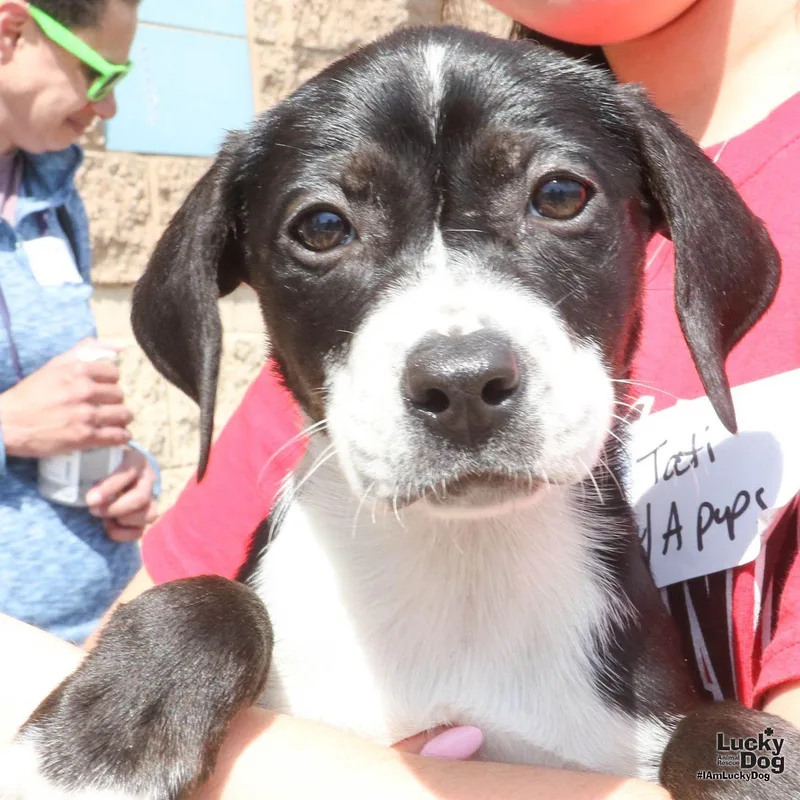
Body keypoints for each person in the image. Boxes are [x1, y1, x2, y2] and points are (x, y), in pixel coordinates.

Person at [3, 0, 800, 797]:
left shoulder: (660, 694)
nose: (460, 363)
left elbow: (768, 762)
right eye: (324, 228)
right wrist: (183, 634)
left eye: (558, 197)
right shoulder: (233, 596)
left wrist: (767, 762)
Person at [0, 0, 159, 646]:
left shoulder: (55, 197)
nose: (108, 107)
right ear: (10, 32)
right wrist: (8, 426)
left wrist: (129, 468)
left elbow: (63, 404)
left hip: (102, 633)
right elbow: (26, 419)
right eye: (98, 74)